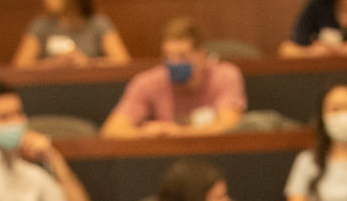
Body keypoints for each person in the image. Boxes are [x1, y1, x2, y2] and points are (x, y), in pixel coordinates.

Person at [102, 19, 246, 138]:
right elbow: (111, 130)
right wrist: (146, 133)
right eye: (169, 56)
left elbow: (230, 125)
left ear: (201, 54)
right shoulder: (147, 82)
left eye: (183, 56)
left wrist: (180, 133)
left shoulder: (225, 75)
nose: (175, 63)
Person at [12, 0, 128, 68]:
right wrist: (56, 63)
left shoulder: (98, 23)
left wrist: (87, 63)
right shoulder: (41, 25)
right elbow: (20, 66)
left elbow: (122, 61)